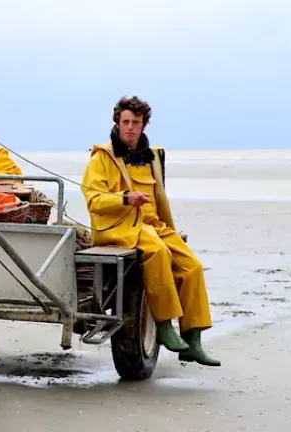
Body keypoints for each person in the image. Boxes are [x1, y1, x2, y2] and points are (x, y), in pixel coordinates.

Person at [80, 96, 220, 367]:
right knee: (156, 253)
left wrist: (173, 231)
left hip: (153, 225)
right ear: (117, 123)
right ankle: (165, 325)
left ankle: (193, 340)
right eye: (125, 122)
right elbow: (94, 201)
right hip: (119, 227)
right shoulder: (101, 158)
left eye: (136, 122)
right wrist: (123, 198)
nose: (130, 127)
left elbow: (160, 198)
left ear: (144, 125)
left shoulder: (151, 156)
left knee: (192, 266)